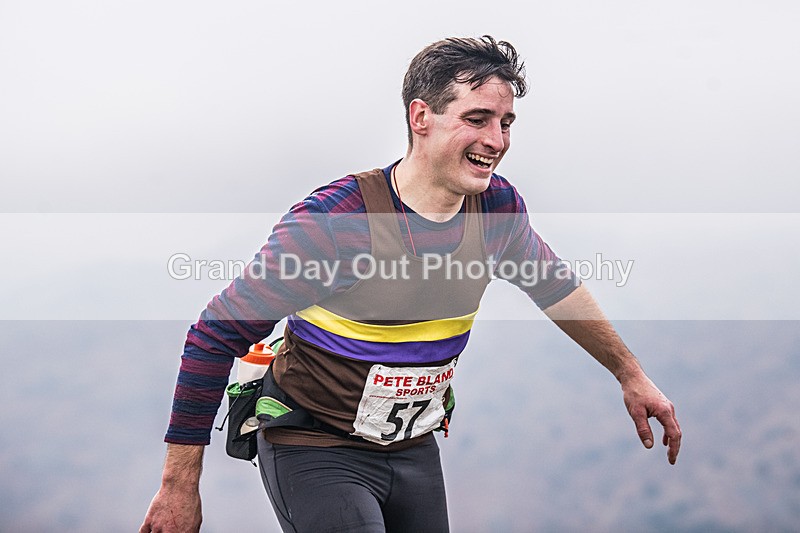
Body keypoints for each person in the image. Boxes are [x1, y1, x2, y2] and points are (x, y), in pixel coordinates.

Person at [140, 35, 681, 533]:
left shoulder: (496, 210)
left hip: (412, 448)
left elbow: (558, 291)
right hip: (315, 446)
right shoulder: (338, 222)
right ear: (421, 117)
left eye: (507, 122)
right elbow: (214, 335)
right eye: (478, 119)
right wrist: (179, 485)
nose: (497, 140)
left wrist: (631, 375)